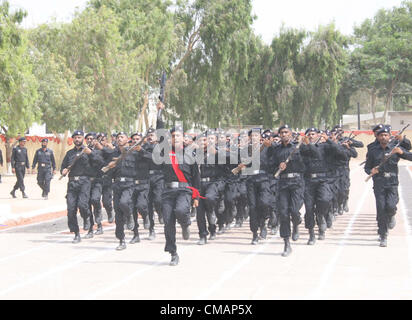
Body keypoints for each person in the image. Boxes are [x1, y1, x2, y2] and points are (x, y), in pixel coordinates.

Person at [364, 125, 412, 247]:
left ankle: (391, 215)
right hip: (379, 183)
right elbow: (367, 167)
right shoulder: (373, 151)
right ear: (378, 137)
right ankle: (383, 234)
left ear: (389, 136)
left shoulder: (395, 149)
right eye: (381, 135)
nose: (384, 137)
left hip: (392, 182)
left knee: (390, 206)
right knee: (380, 208)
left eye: (386, 135)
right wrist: (371, 171)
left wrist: (402, 152)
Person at [270, 125, 306, 257]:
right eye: (282, 133)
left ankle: (296, 224)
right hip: (283, 183)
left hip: (296, 182)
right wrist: (278, 166)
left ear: (291, 134)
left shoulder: (298, 148)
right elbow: (270, 166)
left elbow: (305, 164)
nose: (284, 134)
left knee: (295, 210)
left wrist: (291, 164)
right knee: (283, 213)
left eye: (286, 132)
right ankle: (286, 243)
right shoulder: (276, 150)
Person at [60, 131, 97, 243]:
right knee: (71, 209)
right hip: (72, 183)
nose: (77, 139)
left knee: (83, 204)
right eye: (75, 137)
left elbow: (98, 163)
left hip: (84, 182)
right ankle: (76, 233)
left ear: (83, 139)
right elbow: (63, 167)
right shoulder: (69, 153)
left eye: (79, 137)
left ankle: (87, 219)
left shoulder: (88, 151)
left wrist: (90, 154)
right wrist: (64, 170)